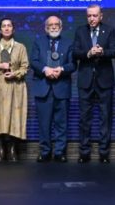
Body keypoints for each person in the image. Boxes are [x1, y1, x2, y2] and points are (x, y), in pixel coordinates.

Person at [72, 4, 115, 163]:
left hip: (104, 80)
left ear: (101, 16)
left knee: (105, 118)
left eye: (94, 15)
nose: (91, 19)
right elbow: (75, 52)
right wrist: (88, 53)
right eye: (89, 16)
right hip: (85, 80)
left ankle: (104, 153)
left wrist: (102, 52)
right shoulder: (80, 31)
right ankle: (84, 153)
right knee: (84, 119)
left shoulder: (109, 30)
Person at [30, 16, 76, 162]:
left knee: (61, 124)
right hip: (43, 88)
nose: (54, 27)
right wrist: (45, 70)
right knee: (44, 124)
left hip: (62, 87)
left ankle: (60, 152)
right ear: (46, 28)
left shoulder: (69, 43)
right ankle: (45, 151)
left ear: (61, 27)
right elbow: (33, 61)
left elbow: (73, 64)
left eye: (57, 24)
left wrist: (61, 69)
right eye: (51, 25)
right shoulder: (38, 42)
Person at [0, 18, 29, 161]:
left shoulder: (20, 47)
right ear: (0, 30)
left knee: (15, 116)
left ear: (13, 29)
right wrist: (0, 66)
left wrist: (15, 74)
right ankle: (1, 149)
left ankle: (13, 149)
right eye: (4, 26)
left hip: (15, 85)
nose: (6, 28)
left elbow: (25, 67)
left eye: (9, 26)